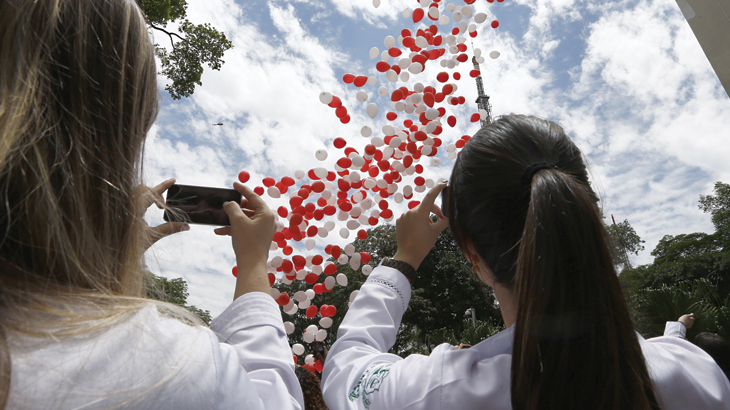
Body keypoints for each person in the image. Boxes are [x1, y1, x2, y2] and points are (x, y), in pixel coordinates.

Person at [0, 0, 302, 409]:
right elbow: (271, 398)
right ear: (123, 132)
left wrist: (107, 255)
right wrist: (252, 264)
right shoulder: (173, 367)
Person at [321, 115, 730, 410]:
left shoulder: (438, 391)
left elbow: (347, 367)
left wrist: (404, 258)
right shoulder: (694, 372)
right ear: (586, 214)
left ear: (473, 254)